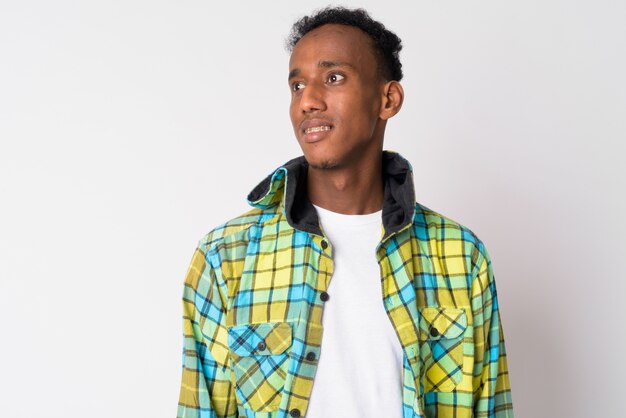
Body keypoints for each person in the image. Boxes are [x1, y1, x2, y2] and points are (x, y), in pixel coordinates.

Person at [177, 7, 513, 418]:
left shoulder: (461, 255)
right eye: (297, 85)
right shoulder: (225, 257)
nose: (308, 101)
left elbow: (490, 408)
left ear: (387, 99)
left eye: (333, 78)